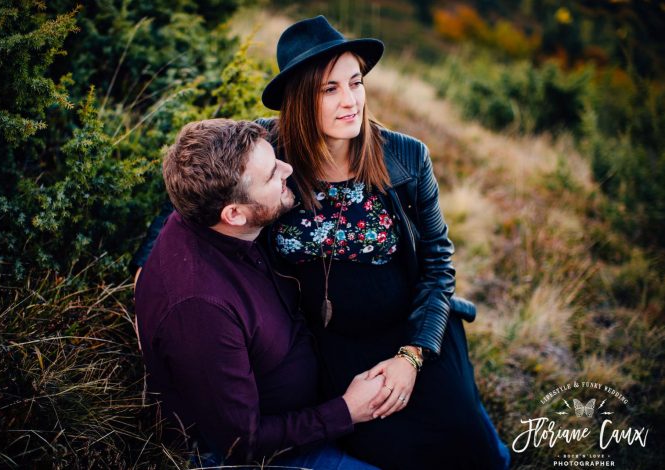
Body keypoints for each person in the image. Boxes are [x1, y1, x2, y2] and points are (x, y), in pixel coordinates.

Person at [134, 16, 511, 469]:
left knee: (471, 448)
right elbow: (196, 198)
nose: (350, 101)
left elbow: (437, 262)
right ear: (298, 101)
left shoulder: (405, 156)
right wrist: (145, 270)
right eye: (329, 89)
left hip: (408, 331)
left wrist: (411, 357)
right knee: (387, 449)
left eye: (355, 82)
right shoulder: (267, 148)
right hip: (328, 344)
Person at [134, 118, 385, 469]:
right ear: (234, 214)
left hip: (314, 394)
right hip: (279, 451)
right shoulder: (201, 311)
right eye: (272, 174)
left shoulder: (209, 211)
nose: (288, 169)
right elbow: (242, 444)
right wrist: (346, 411)